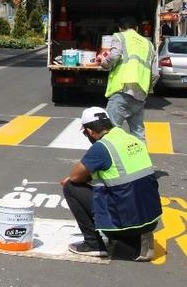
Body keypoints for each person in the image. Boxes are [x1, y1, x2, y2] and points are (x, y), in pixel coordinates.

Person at [60, 107, 162, 261]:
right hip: (150, 219)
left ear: (90, 131)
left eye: (85, 133)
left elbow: (75, 177)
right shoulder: (132, 139)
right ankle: (136, 238)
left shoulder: (102, 147)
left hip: (127, 223)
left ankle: (93, 244)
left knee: (70, 187)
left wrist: (73, 178)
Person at [97, 17, 158, 142]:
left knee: (110, 131)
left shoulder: (120, 37)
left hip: (122, 90)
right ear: (137, 29)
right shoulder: (148, 44)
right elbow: (155, 74)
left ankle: (113, 160)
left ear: (120, 28)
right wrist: (146, 89)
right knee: (138, 135)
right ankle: (141, 161)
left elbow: (114, 56)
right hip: (140, 94)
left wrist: (103, 63)